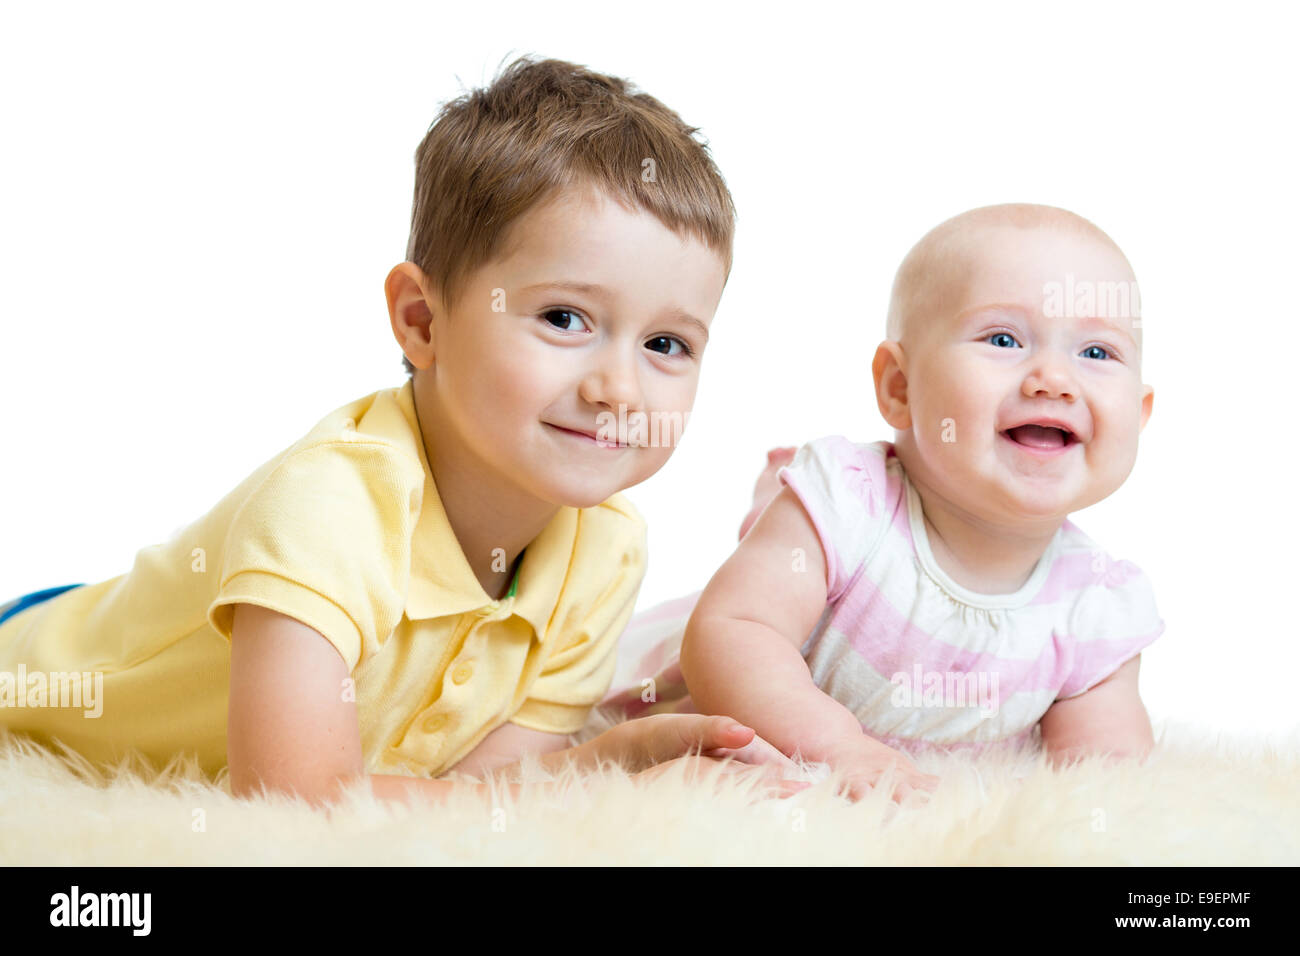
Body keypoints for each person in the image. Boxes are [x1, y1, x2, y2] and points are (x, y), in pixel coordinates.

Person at [0, 56, 809, 809]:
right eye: (565, 318)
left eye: (666, 344)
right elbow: (295, 804)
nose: (619, 389)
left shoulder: (608, 552)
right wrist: (594, 775)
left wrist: (612, 764)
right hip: (31, 668)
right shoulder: (332, 506)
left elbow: (475, 795)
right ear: (423, 321)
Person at [602, 204, 1164, 804]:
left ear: (1142, 412)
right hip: (682, 748)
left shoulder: (1096, 603)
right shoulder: (847, 503)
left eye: (1098, 353)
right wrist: (839, 748)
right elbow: (732, 633)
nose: (1053, 379)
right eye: (1003, 339)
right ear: (899, 387)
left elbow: (1103, 780)